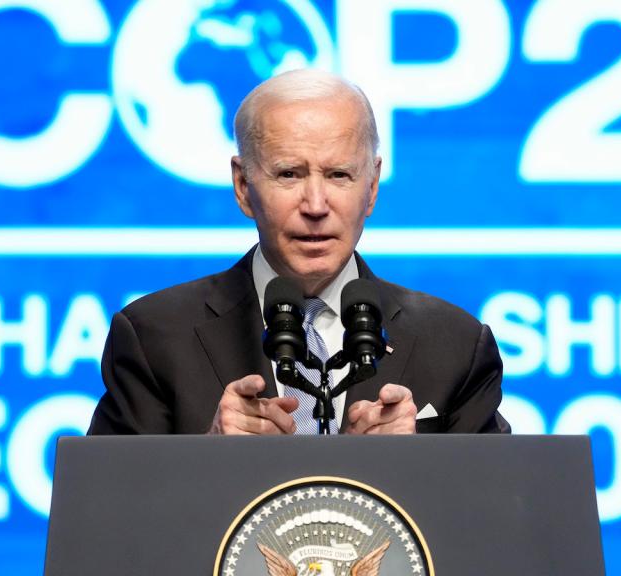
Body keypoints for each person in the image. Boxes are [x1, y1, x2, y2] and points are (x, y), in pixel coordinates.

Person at [88, 69, 509, 435]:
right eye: (289, 174)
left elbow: (499, 515)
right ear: (242, 186)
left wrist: (409, 469)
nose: (315, 205)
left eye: (339, 175)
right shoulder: (154, 338)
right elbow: (104, 517)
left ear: (372, 186)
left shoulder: (455, 345)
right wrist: (209, 453)